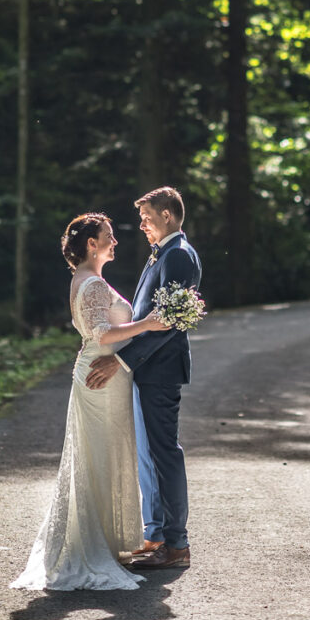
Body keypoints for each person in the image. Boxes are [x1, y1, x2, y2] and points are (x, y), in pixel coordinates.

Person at [10, 211, 167, 591]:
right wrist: (147, 324)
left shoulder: (85, 279)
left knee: (103, 457)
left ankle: (107, 543)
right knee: (100, 457)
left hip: (97, 371)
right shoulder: (93, 283)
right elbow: (101, 332)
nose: (115, 241)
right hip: (101, 376)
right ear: (91, 244)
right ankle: (95, 547)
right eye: (108, 237)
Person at [86, 187, 202, 570]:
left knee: (164, 453)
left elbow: (166, 325)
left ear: (167, 216)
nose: (142, 226)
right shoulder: (164, 253)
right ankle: (156, 536)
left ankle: (177, 544)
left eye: (148, 218)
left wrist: (121, 361)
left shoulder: (180, 256)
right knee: (149, 455)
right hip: (148, 369)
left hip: (160, 369)